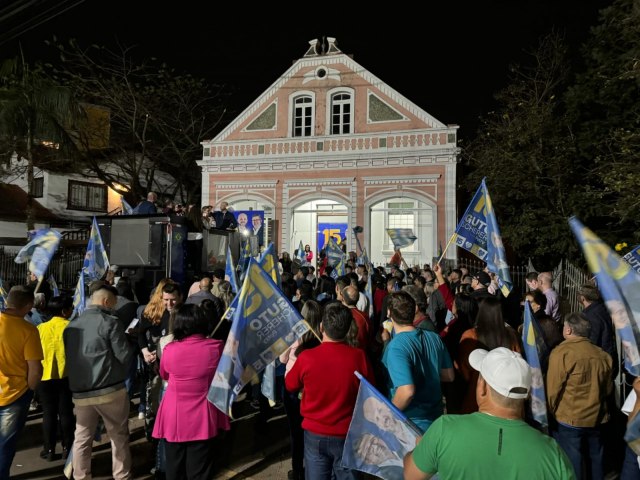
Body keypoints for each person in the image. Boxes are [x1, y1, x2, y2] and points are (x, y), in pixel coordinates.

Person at [403, 347, 575, 480]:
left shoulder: (443, 430)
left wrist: (420, 449)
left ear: (482, 387)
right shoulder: (553, 453)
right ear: (526, 395)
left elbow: (410, 475)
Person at [285, 302, 374, 480]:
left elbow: (290, 384)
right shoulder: (359, 356)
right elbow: (370, 390)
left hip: (315, 435)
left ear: (321, 327)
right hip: (347, 433)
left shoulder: (307, 357)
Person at [63, 284, 133, 480]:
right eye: (114, 302)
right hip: (110, 390)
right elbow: (124, 355)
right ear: (106, 301)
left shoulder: (72, 325)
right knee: (118, 437)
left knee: (82, 438)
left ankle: (81, 476)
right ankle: (121, 475)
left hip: (80, 392)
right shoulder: (111, 322)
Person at [152, 304, 230, 480]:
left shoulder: (170, 349)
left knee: (174, 467)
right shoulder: (216, 347)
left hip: (174, 414)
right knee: (200, 469)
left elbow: (164, 375)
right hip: (203, 414)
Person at [547, 312, 613, 480]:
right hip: (597, 418)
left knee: (572, 462)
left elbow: (553, 389)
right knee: (596, 460)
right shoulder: (603, 355)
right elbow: (608, 389)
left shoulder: (561, 353)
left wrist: (549, 412)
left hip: (570, 418)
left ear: (568, 330)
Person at [380, 291, 454, 432]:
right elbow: (449, 375)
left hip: (409, 424)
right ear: (414, 310)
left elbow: (406, 391)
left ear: (389, 313)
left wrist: (388, 416)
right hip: (435, 419)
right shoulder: (434, 337)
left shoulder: (396, 346)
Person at [0, 286, 43, 479]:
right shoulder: (28, 330)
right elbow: (35, 369)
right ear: (28, 305)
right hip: (15, 395)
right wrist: (30, 392)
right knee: (4, 447)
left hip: (12, 394)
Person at [37, 295, 75, 462]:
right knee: (66, 411)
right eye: (70, 308)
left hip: (44, 376)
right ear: (64, 311)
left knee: (48, 413)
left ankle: (49, 449)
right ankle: (68, 448)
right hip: (67, 375)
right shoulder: (72, 327)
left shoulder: (40, 328)